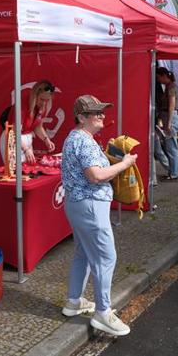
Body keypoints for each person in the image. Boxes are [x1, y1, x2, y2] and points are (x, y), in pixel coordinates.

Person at [60, 95, 138, 336]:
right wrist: (124, 164)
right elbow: (96, 176)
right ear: (81, 117)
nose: (102, 115)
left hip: (79, 204)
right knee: (106, 257)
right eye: (96, 113)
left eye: (102, 111)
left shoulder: (76, 138)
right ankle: (103, 313)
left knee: (83, 253)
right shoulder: (83, 140)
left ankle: (74, 301)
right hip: (91, 205)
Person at [1, 80, 56, 164]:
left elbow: (38, 127)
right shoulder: (22, 106)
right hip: (13, 138)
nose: (44, 103)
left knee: (28, 168)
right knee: (14, 169)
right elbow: (15, 132)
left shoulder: (42, 107)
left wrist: (46, 139)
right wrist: (26, 149)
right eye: (42, 99)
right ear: (35, 95)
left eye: (47, 100)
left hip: (26, 139)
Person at [154, 67, 178, 181]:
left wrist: (168, 124)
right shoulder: (169, 87)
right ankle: (172, 171)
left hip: (170, 118)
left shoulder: (171, 87)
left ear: (164, 76)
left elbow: (171, 105)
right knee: (169, 146)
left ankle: (174, 173)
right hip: (167, 117)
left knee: (171, 147)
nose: (158, 80)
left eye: (158, 77)